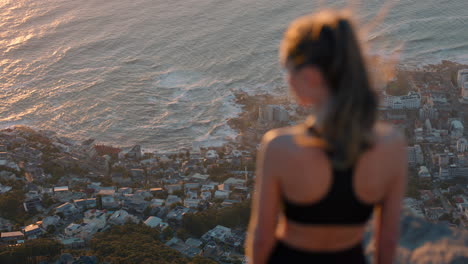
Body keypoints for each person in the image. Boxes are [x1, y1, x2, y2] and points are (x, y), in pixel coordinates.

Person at [245, 9, 407, 264]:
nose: (286, 79)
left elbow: (262, 238)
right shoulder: (391, 146)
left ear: (310, 75)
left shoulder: (280, 147)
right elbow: (387, 241)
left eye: (287, 70)